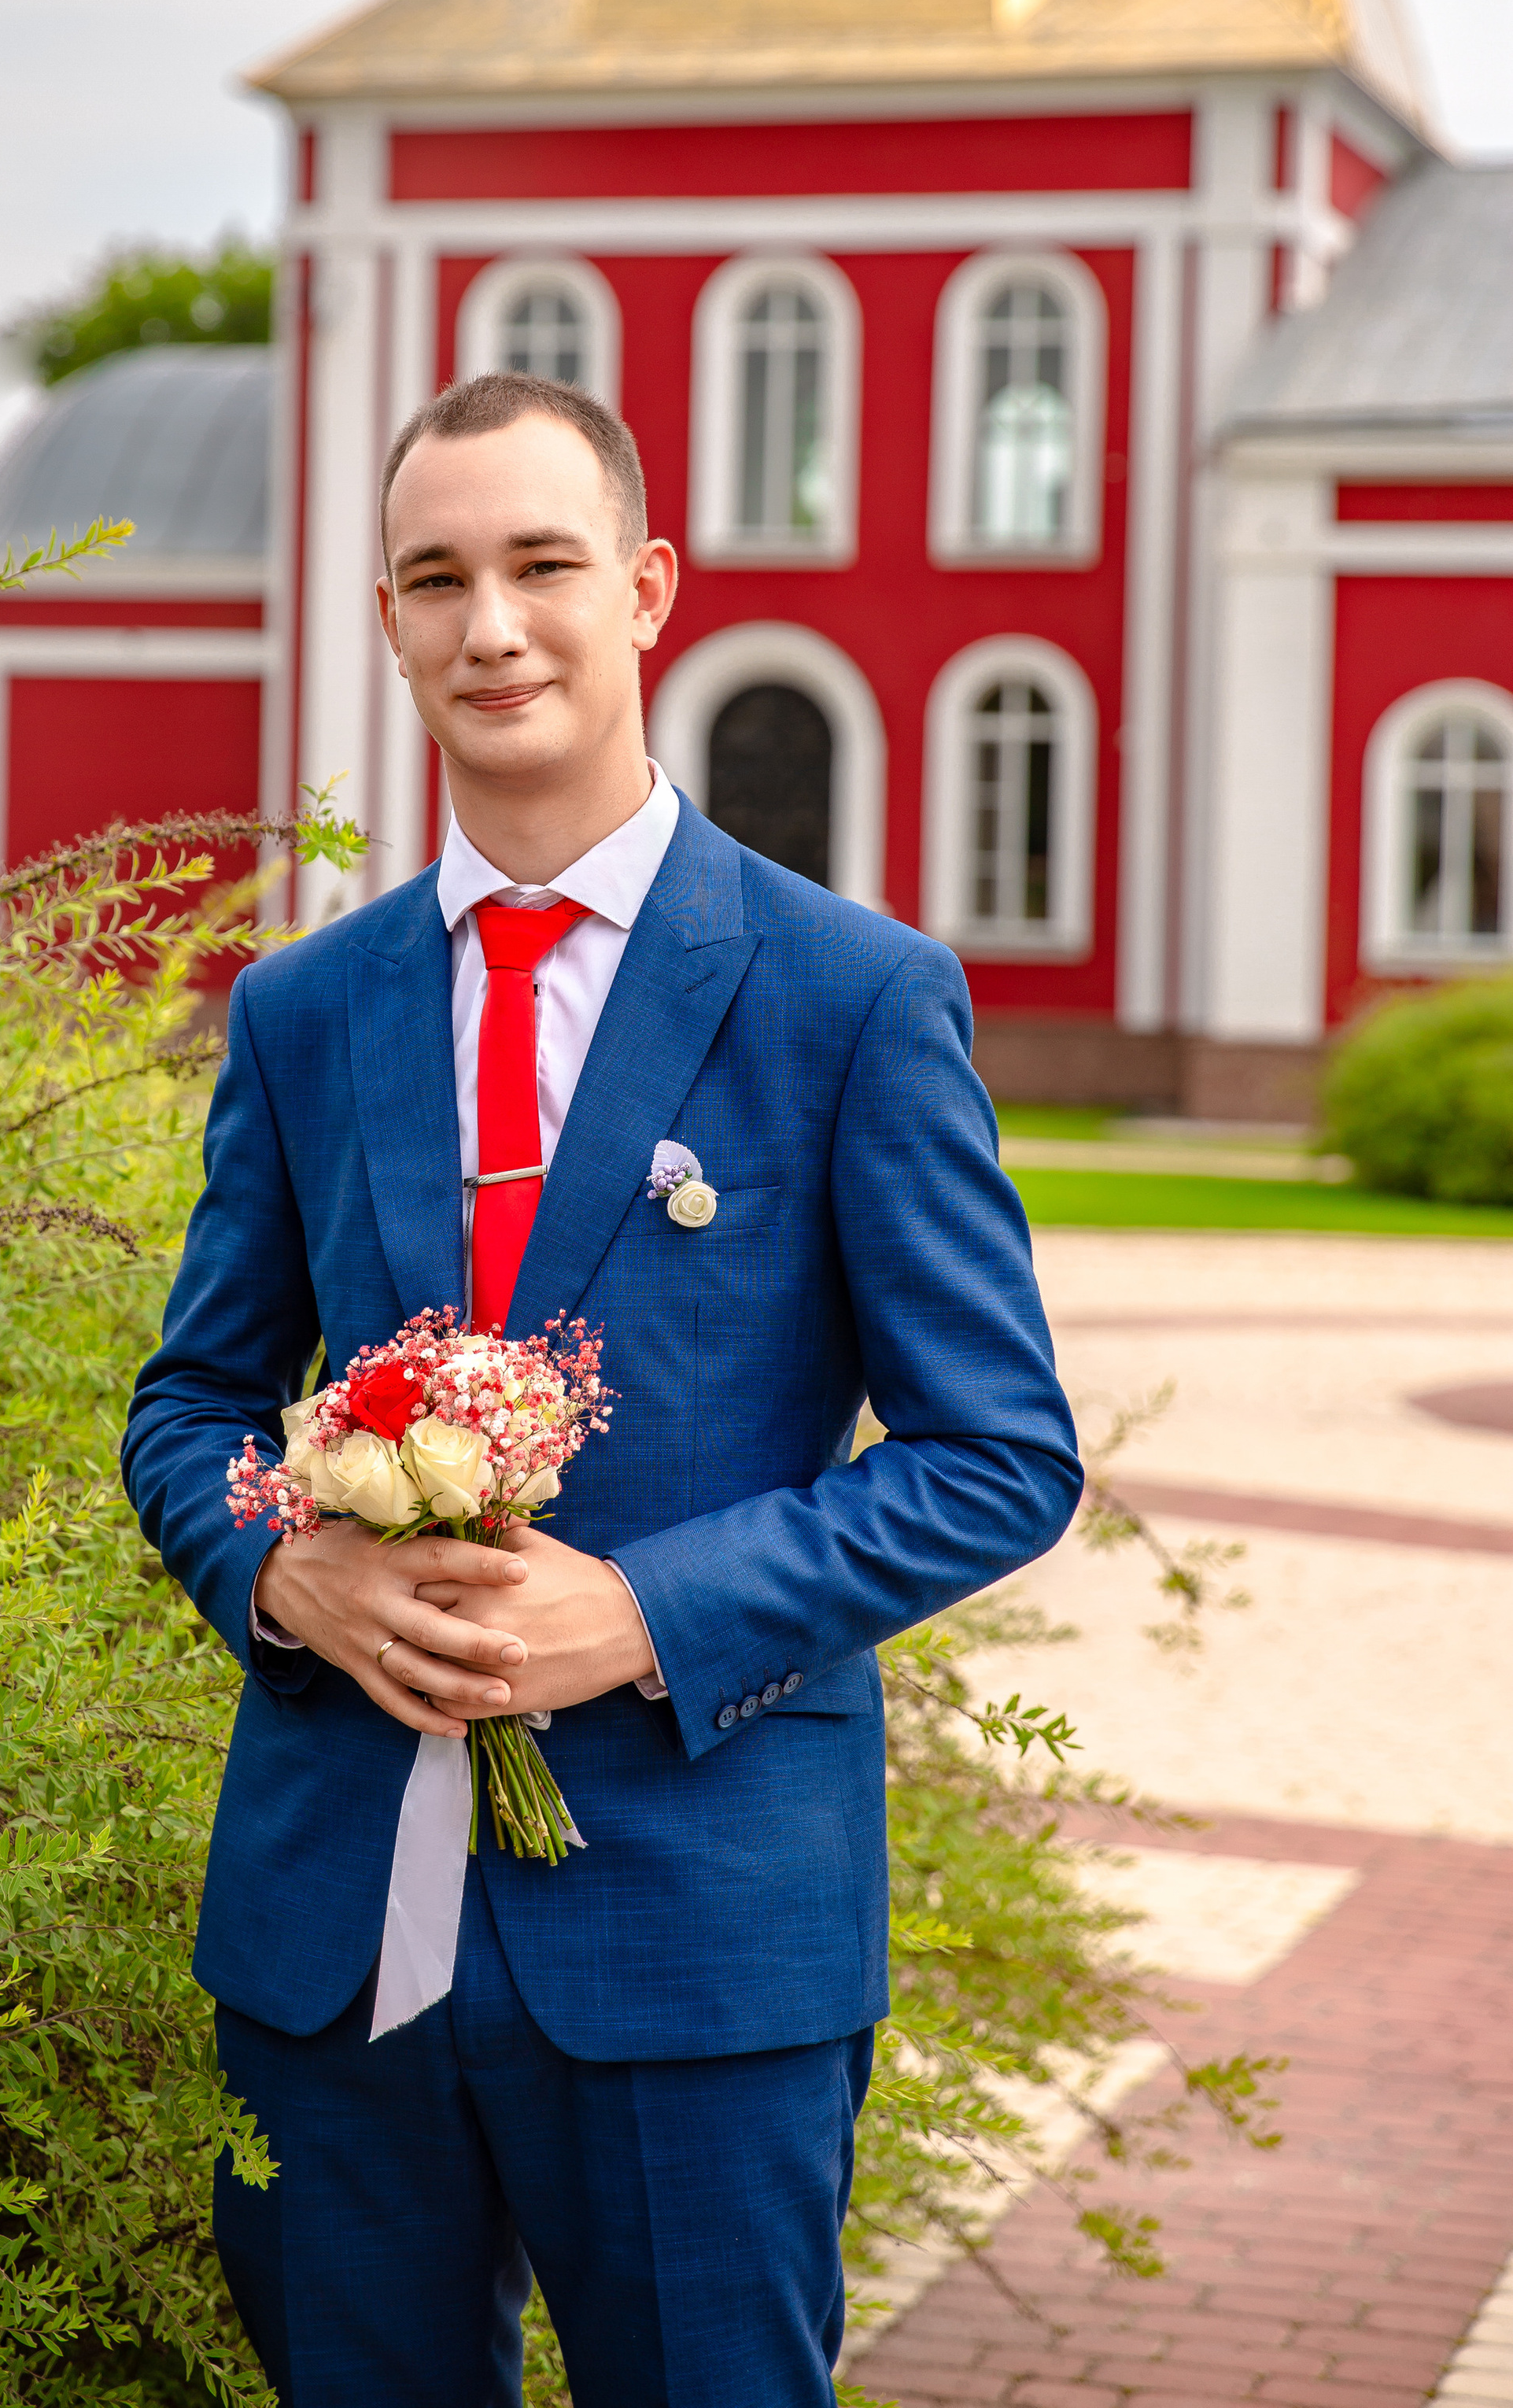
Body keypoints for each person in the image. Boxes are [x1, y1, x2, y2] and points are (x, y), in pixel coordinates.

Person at [123, 372, 1082, 2408]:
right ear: (386, 621)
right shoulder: (306, 1009)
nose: (495, 625)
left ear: (644, 589)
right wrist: (286, 1574)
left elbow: (1001, 1458)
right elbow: (189, 1403)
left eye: (545, 565)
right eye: (439, 578)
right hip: (331, 1941)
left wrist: (645, 1615)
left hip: (700, 1937)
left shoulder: (850, 997)